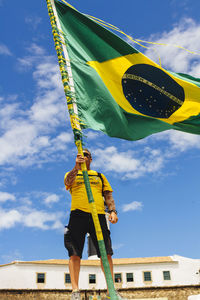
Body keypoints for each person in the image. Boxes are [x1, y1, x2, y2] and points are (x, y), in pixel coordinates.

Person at [64, 149, 126, 300]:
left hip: (98, 215)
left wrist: (113, 211)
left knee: (106, 252)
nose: (83, 156)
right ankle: (75, 291)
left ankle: (110, 289)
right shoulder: (71, 174)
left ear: (90, 159)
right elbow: (67, 183)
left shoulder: (99, 176)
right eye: (80, 155)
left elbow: (108, 195)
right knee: (74, 252)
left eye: (85, 155)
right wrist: (76, 167)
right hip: (78, 214)